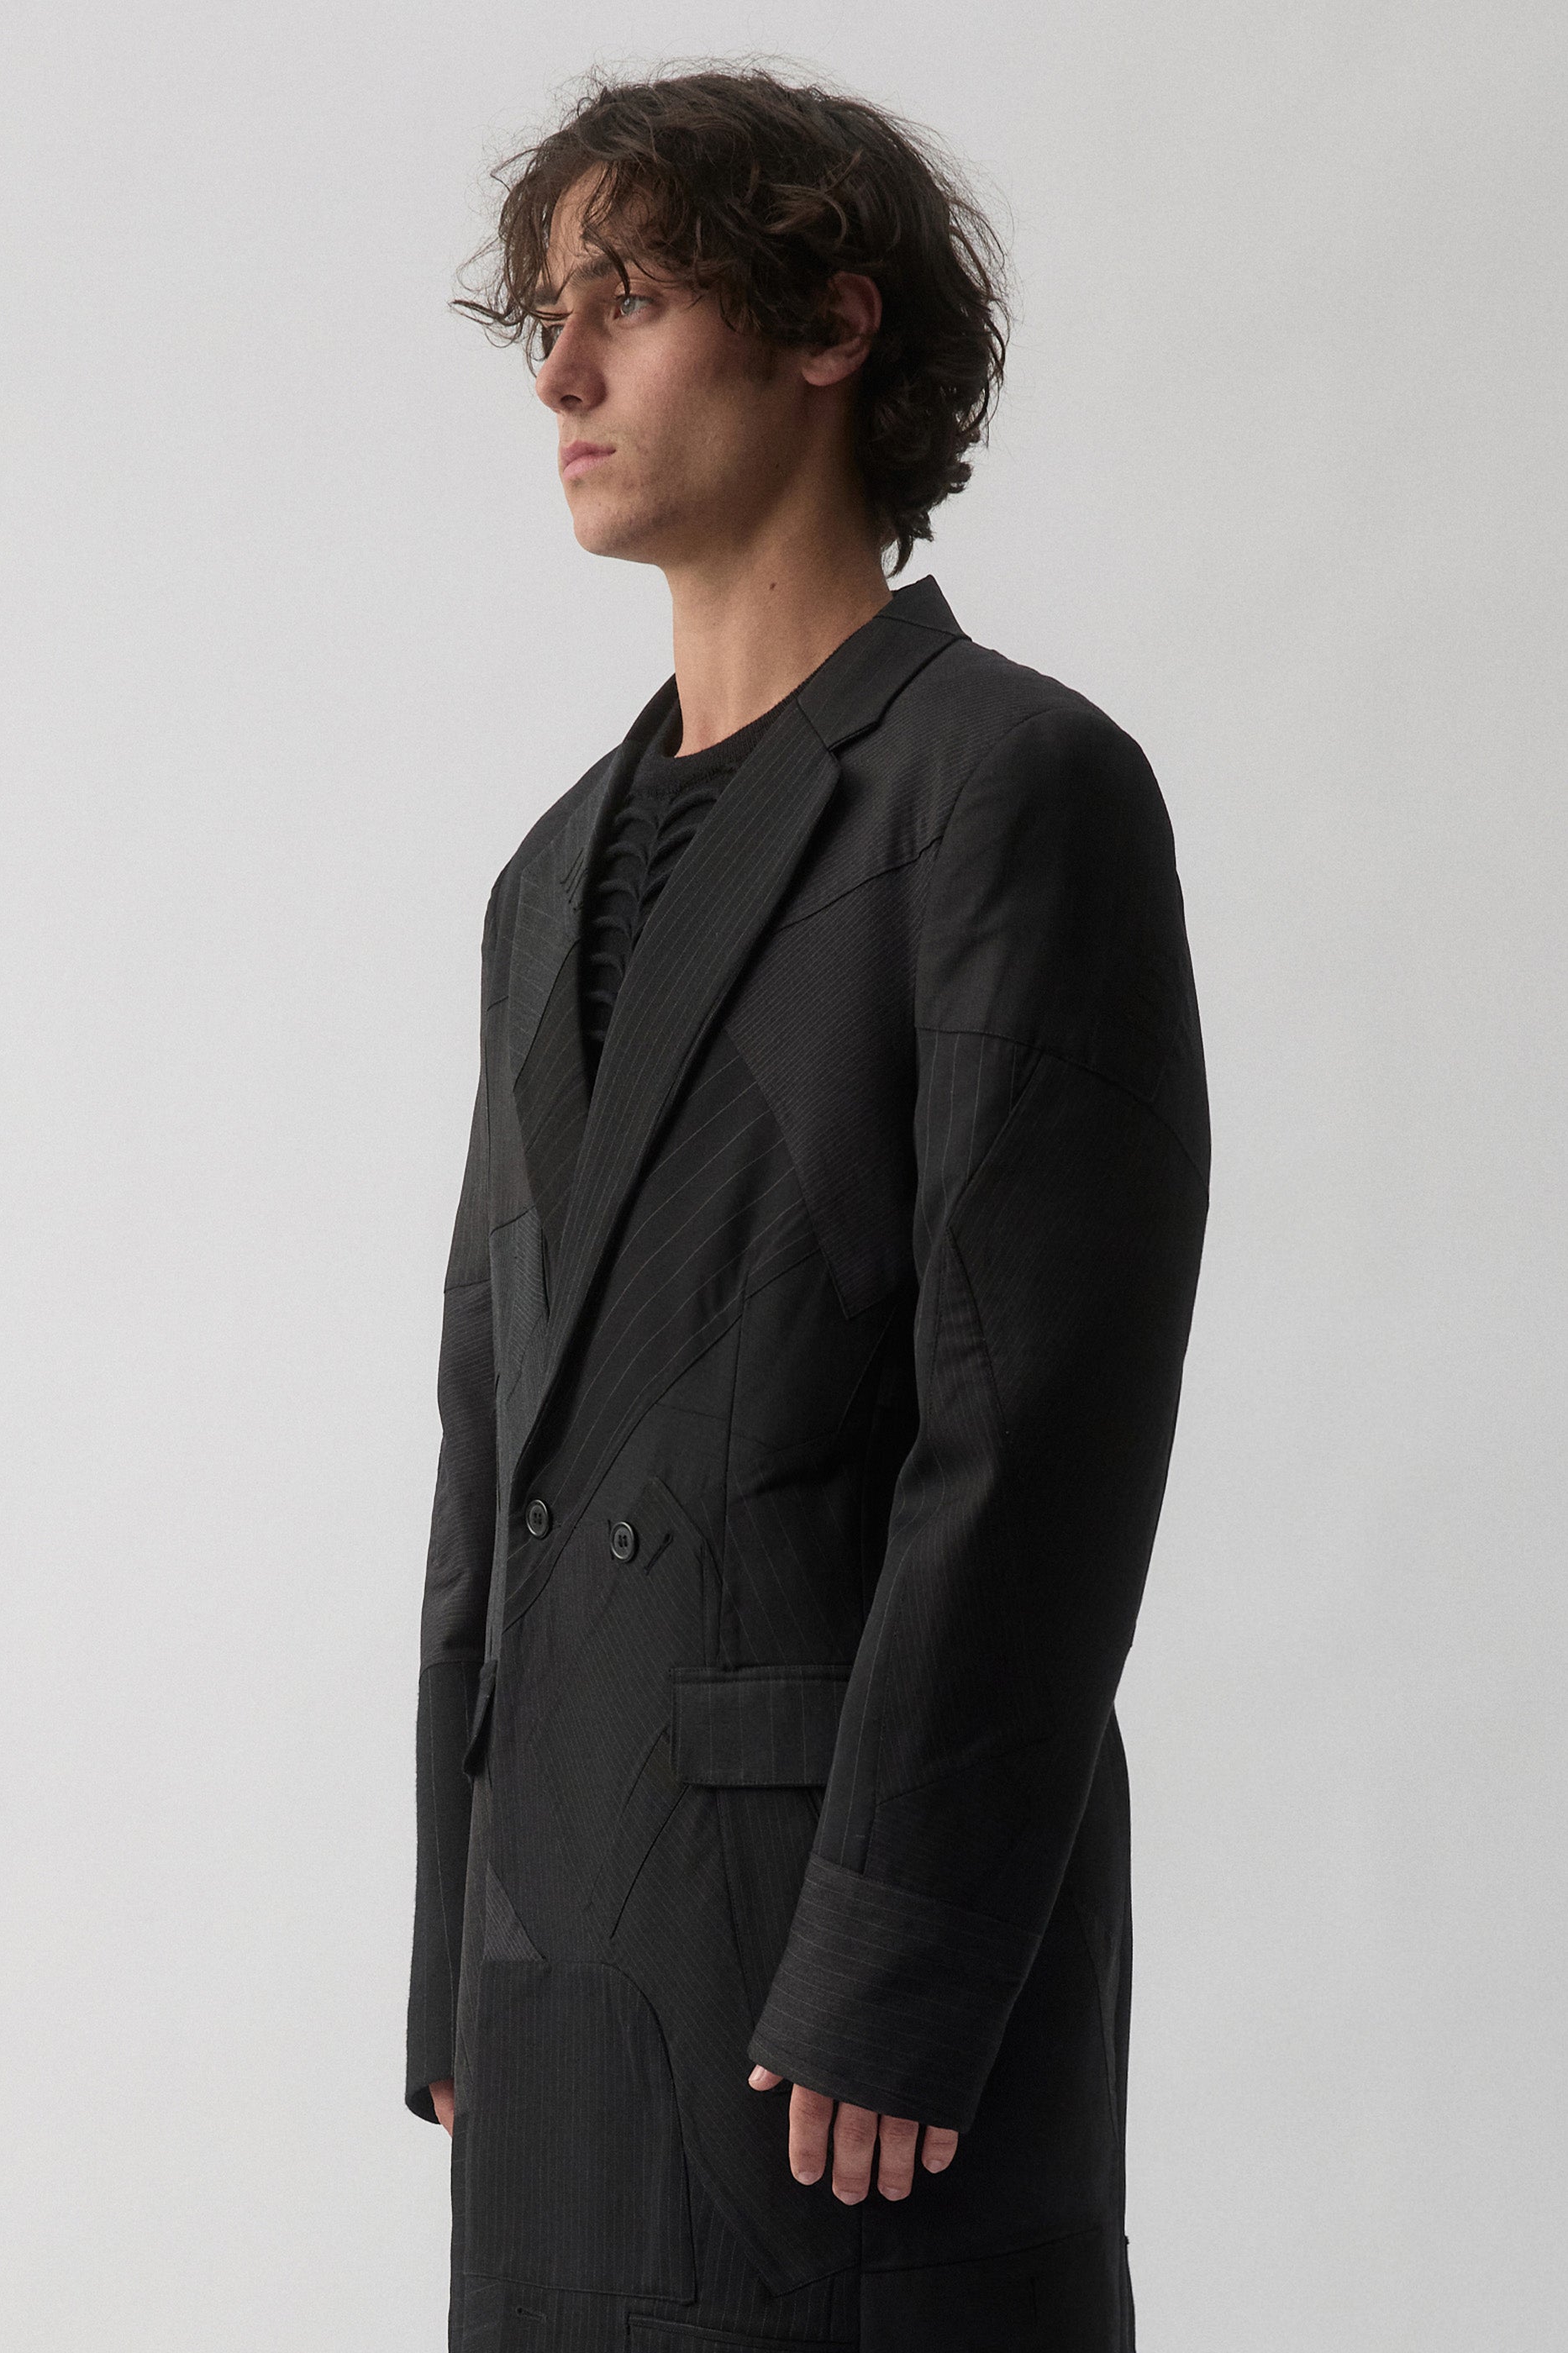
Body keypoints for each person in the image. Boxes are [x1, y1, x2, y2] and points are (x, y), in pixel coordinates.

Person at [405, 65, 1209, 2353]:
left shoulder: (1008, 787)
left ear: (833, 326)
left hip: (831, 1990)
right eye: (545, 320)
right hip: (555, 1958)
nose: (559, 377)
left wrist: (902, 1950)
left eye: (629, 302)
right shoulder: (543, 875)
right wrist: (453, 1932)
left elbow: (1033, 1429)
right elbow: (495, 1430)